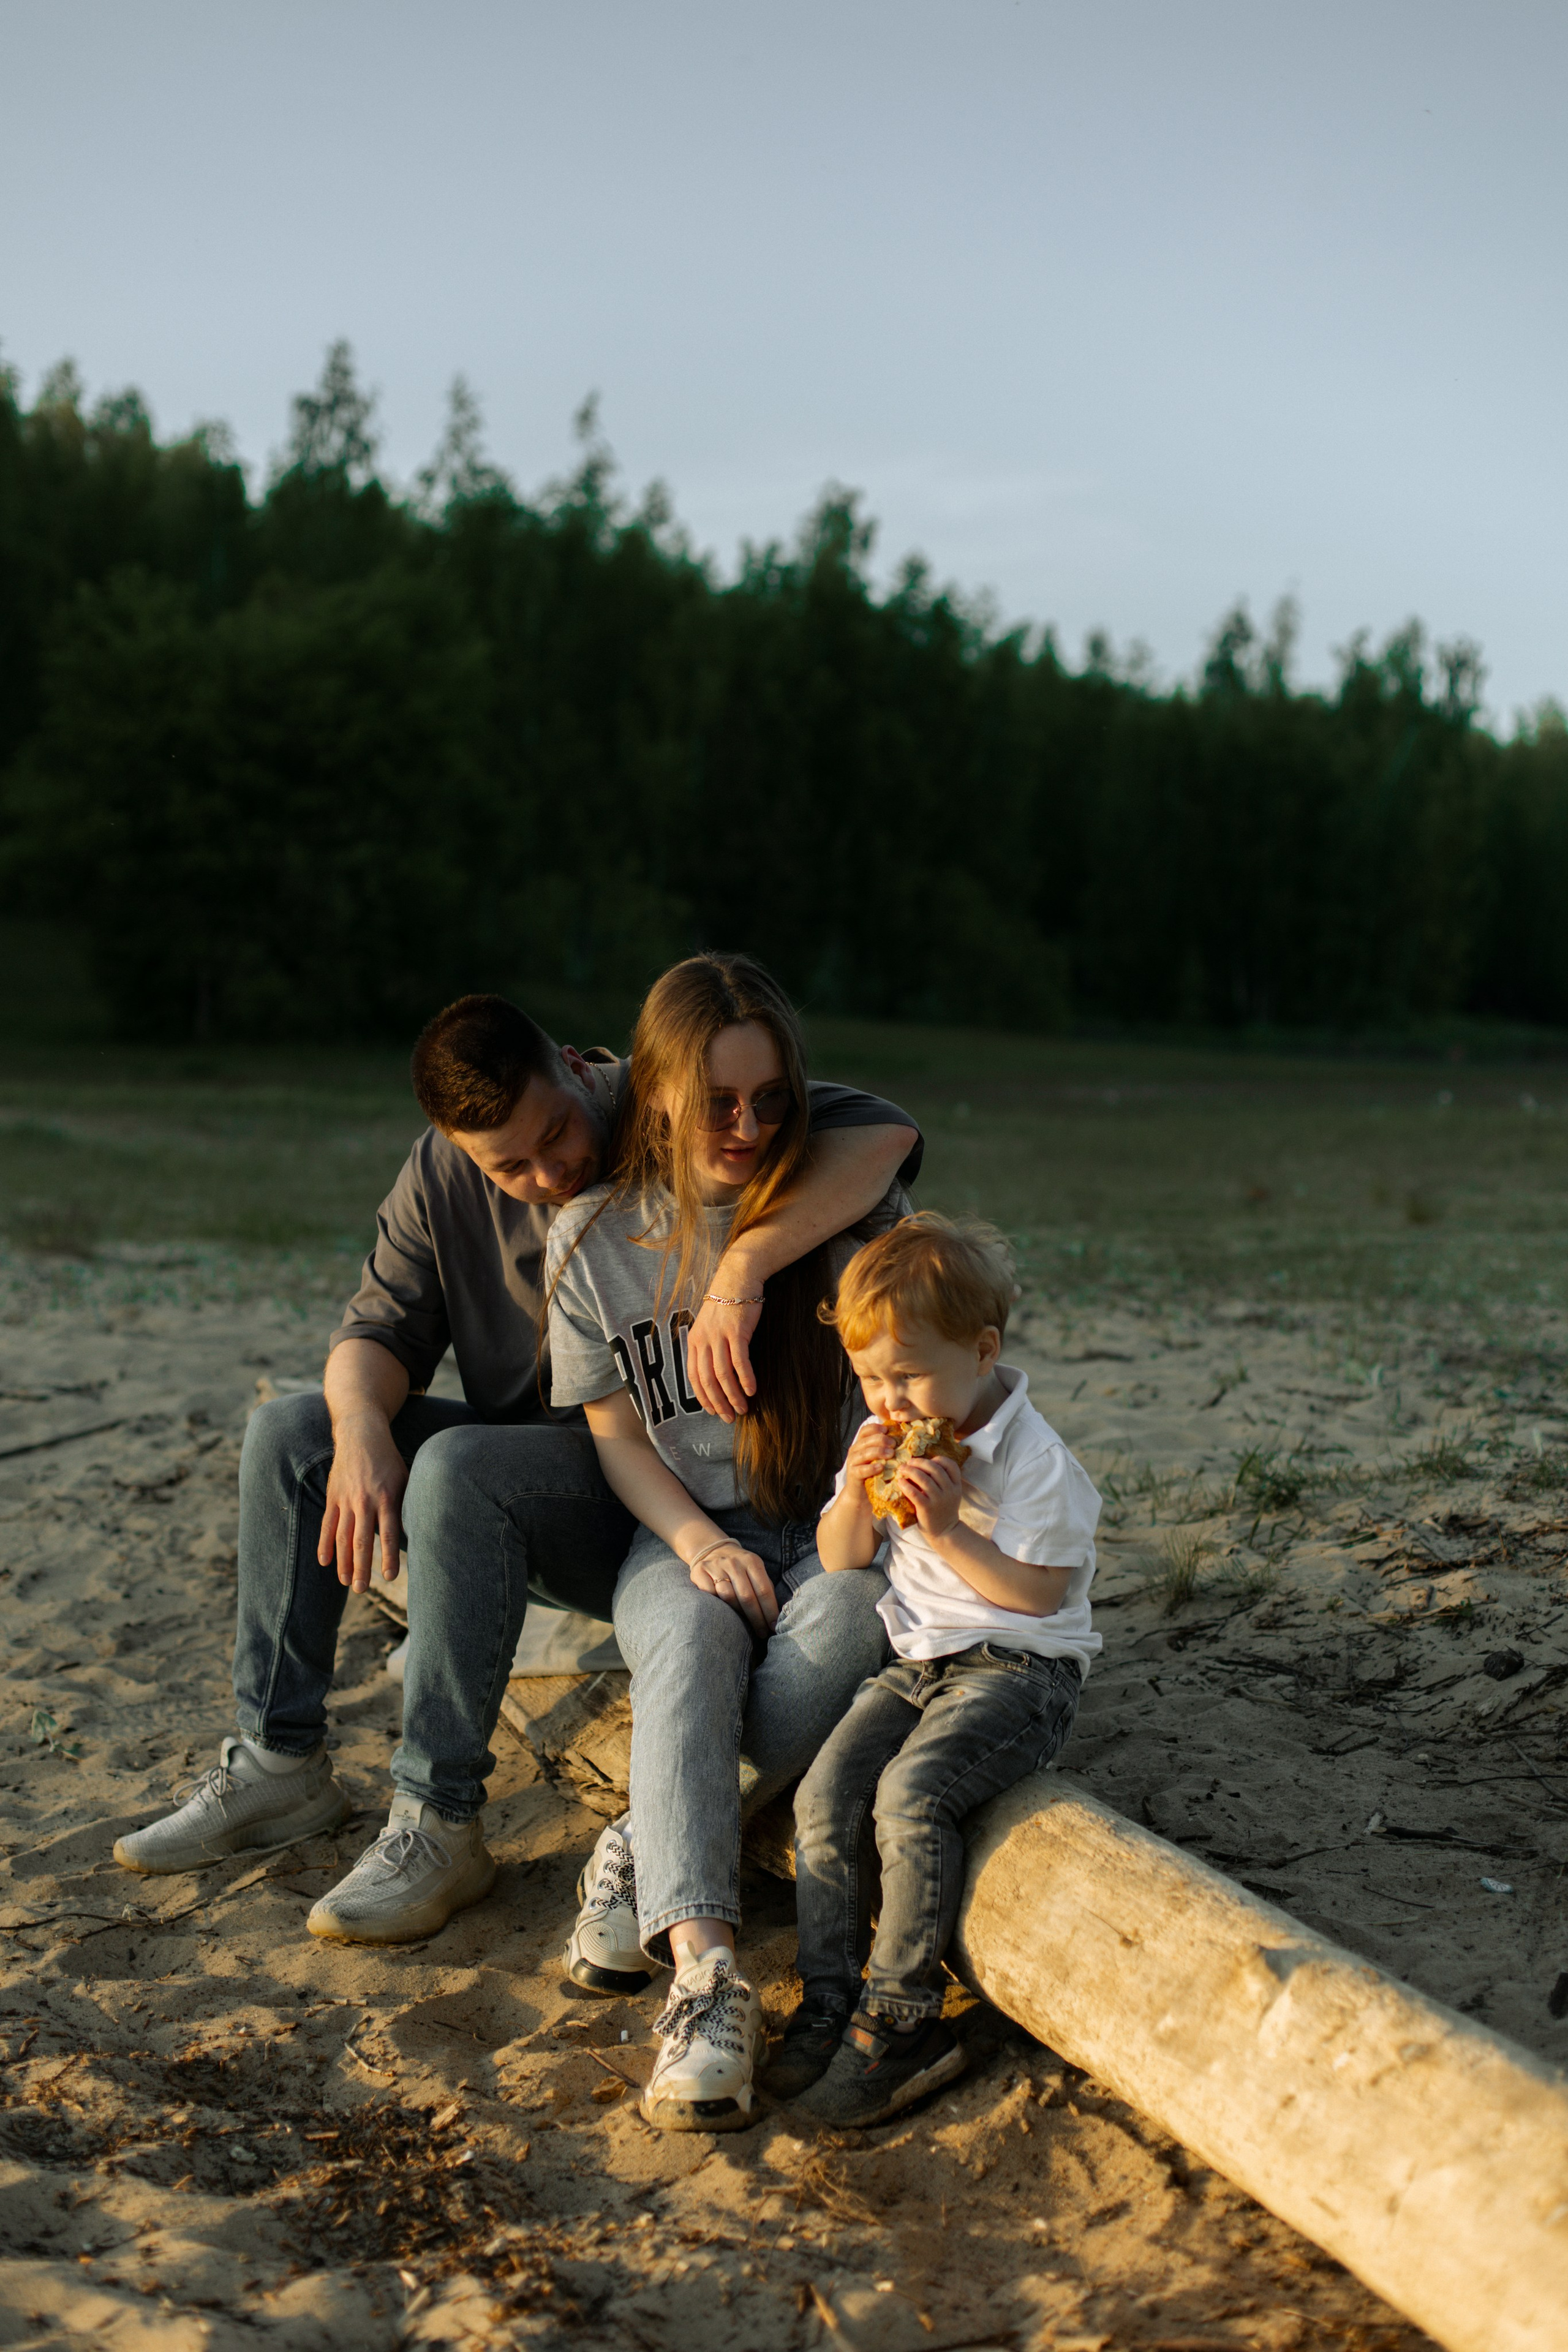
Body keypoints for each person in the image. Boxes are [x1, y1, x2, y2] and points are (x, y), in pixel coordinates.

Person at [111, 990, 919, 1949]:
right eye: (511, 1164)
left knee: (459, 1465)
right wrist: (364, 1427)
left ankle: (437, 1818)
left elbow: (881, 1135)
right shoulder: (445, 1178)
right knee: (296, 1435)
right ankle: (278, 1763)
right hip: (565, 1475)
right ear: (461, 1148)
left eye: (558, 1134)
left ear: (580, 1069)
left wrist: (745, 1263)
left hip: (662, 1475)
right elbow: (372, 1329)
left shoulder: (677, 1104)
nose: (549, 1171)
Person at [545, 952, 898, 2133]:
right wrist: (697, 1543)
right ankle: (704, 1978)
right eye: (719, 1103)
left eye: (771, 1100)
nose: (747, 1127)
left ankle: (645, 1833)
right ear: (654, 1093)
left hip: (830, 1525)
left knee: (852, 1617)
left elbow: (893, 1136)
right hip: (682, 1530)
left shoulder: (835, 1202)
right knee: (690, 1649)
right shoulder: (593, 1240)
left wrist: (751, 1262)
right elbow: (615, 1437)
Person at [767, 1213, 1099, 2128]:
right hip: (917, 1663)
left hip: (1021, 1672)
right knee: (824, 1793)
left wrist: (950, 1532)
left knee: (910, 1795)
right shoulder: (887, 1434)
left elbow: (1038, 1598)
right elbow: (841, 1559)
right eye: (870, 1379)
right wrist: (857, 1493)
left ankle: (902, 2013)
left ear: (983, 1350)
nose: (889, 1401)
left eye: (907, 1375)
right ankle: (829, 1993)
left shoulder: (1037, 1462)